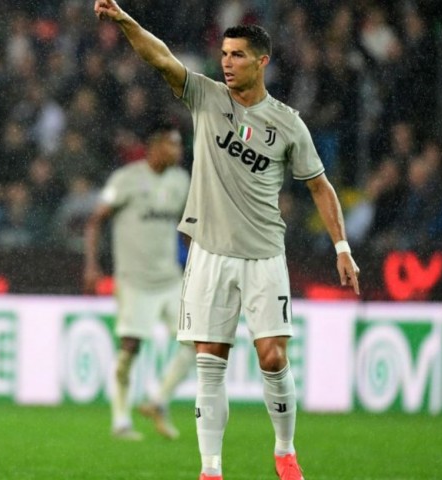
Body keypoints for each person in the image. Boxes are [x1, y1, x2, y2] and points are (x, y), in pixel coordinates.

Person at [94, 2, 361, 479]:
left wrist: (342, 248)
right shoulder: (206, 97)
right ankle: (211, 470)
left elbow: (319, 185)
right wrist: (123, 20)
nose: (227, 62)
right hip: (209, 255)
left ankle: (284, 450)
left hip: (263, 257)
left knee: (273, 357)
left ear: (262, 62)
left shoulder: (287, 123)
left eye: (237, 55)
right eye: (223, 53)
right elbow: (160, 59)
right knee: (209, 363)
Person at [83, 121, 195, 441]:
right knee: (131, 347)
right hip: (134, 280)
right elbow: (94, 221)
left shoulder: (180, 180)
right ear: (155, 147)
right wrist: (92, 266)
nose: (178, 151)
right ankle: (121, 420)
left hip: (170, 278)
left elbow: (185, 226)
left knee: (195, 340)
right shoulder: (126, 179)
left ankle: (158, 401)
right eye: (173, 145)